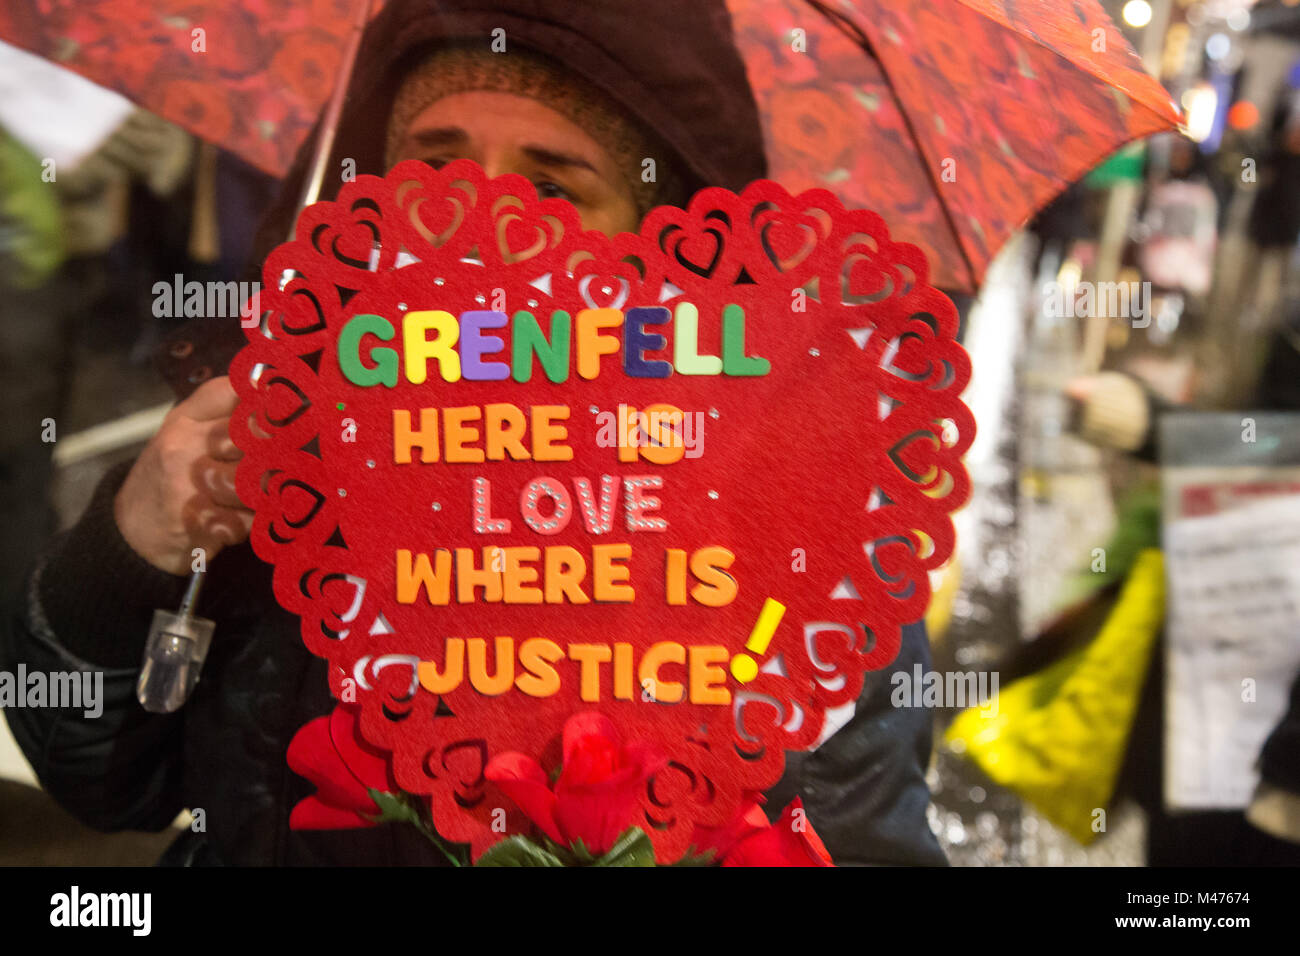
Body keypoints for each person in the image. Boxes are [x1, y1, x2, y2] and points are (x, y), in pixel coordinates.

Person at [1, 0, 946, 866]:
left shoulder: (801, 541)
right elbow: (101, 781)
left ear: (661, 245)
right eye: (435, 168)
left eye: (554, 187)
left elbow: (860, 845)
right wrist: (134, 549)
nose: (479, 231)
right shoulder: (276, 456)